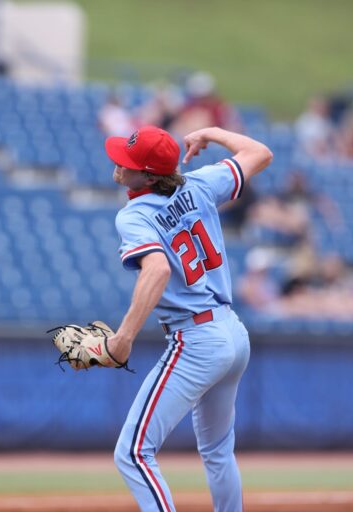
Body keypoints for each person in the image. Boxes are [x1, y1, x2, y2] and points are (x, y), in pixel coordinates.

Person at [104, 125, 272, 510]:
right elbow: (261, 152)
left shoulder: (134, 215)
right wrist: (212, 132)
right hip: (233, 332)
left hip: (197, 340)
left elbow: (158, 271)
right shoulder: (199, 184)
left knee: (132, 453)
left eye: (127, 161)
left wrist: (124, 337)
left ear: (148, 175)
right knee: (217, 451)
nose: (117, 164)